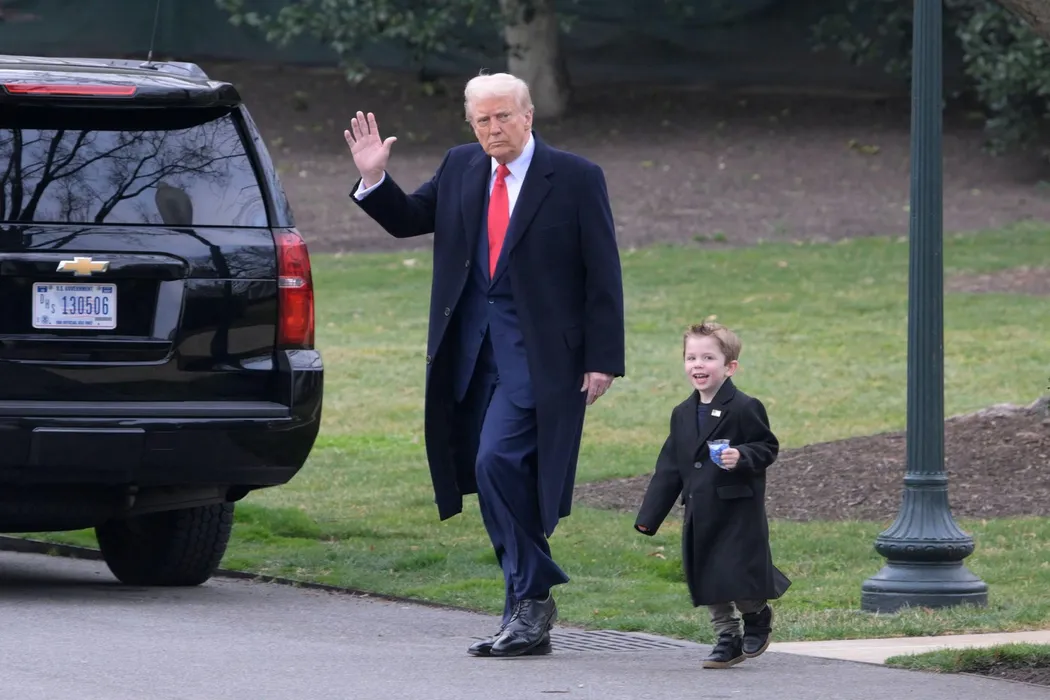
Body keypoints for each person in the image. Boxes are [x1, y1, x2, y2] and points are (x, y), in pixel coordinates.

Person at [343, 72, 626, 658]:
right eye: (482, 120)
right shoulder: (461, 166)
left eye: (503, 117)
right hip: (471, 354)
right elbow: (409, 218)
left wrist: (603, 359)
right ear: (470, 124)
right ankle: (525, 617)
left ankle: (534, 595)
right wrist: (373, 178)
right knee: (502, 476)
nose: (493, 129)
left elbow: (602, 272)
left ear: (528, 116)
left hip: (542, 359)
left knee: (496, 462)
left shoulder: (575, 177)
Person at [634, 321, 790, 669]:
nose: (698, 365)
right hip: (700, 511)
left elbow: (767, 446)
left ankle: (757, 614)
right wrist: (649, 517)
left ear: (729, 367)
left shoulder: (744, 407)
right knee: (706, 575)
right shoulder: (682, 414)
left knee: (736, 571)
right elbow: (670, 466)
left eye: (708, 358)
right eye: (691, 358)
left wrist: (742, 455)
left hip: (736, 509)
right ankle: (726, 637)